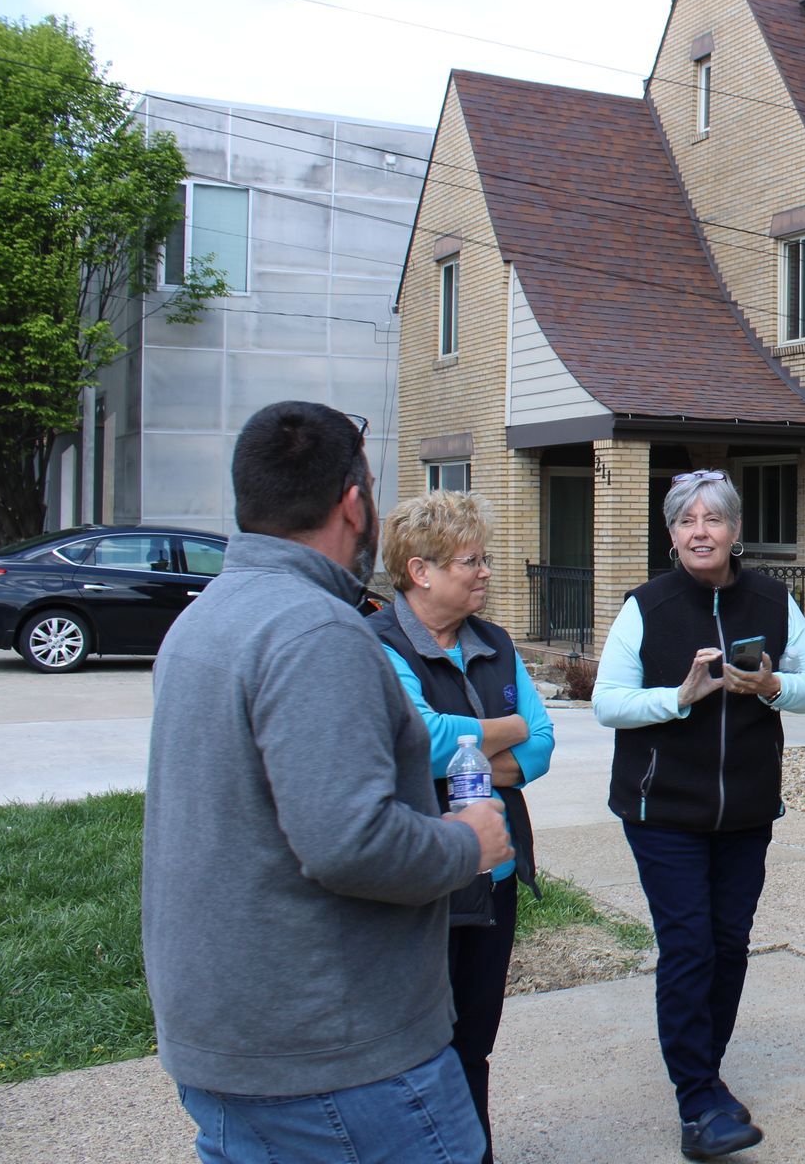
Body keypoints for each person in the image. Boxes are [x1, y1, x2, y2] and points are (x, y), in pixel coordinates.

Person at [142, 401, 511, 1164]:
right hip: (339, 1059)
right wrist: (465, 843)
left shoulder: (205, 619)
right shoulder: (317, 632)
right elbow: (352, 843)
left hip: (229, 1040)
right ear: (353, 502)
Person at [592, 469, 805, 1160]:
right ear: (671, 535)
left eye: (714, 519)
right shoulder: (648, 606)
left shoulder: (773, 600)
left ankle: (706, 1077)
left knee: (728, 945)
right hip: (662, 809)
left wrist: (775, 685)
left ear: (734, 531)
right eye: (687, 521)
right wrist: (680, 695)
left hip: (746, 811)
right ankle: (698, 1099)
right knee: (690, 944)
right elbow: (609, 702)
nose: (701, 532)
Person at [368, 491, 555, 1164]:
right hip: (423, 875)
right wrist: (502, 733)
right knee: (418, 1045)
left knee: (474, 1041)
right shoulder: (379, 645)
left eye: (485, 560)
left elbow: (542, 746)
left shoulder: (494, 643)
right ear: (421, 572)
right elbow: (417, 739)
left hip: (493, 875)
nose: (485, 574)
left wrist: (469, 752)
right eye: (471, 562)